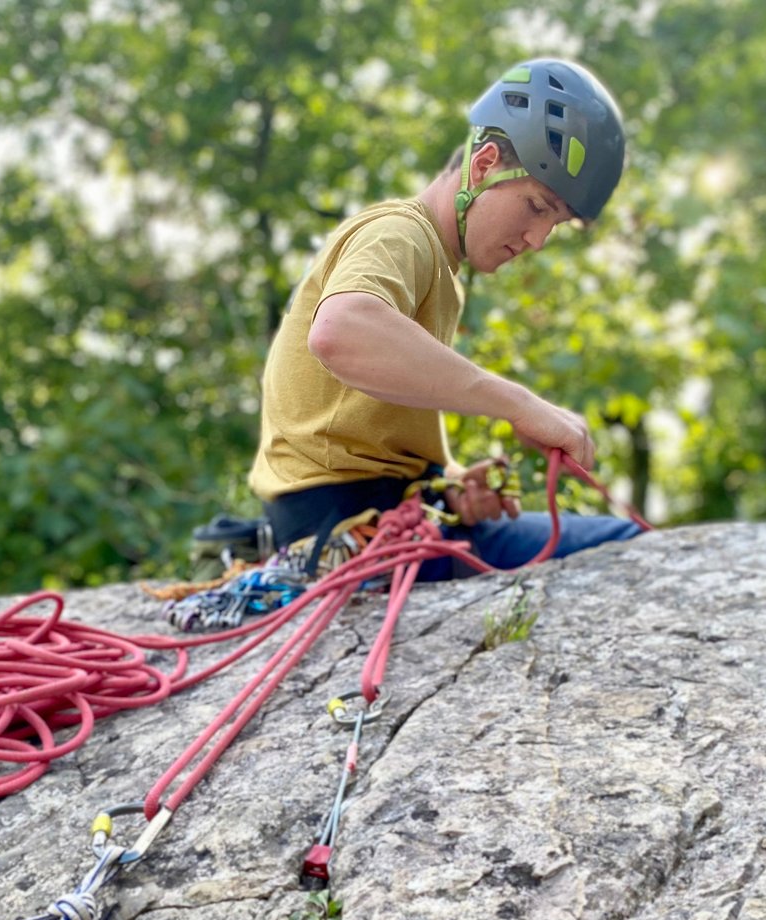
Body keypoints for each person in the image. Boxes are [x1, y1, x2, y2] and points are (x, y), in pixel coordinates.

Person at [248, 58, 643, 576]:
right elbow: (340, 331)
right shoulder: (400, 232)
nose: (538, 240)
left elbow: (363, 431)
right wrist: (519, 405)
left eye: (558, 224)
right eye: (536, 206)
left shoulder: (437, 267)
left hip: (375, 516)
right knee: (627, 546)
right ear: (484, 164)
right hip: (349, 530)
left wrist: (454, 487)